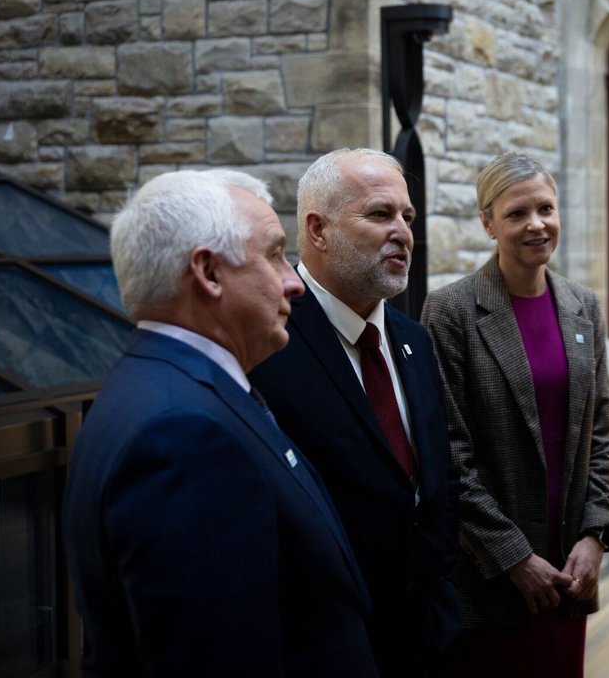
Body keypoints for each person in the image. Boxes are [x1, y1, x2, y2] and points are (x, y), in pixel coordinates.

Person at [64, 170, 379, 677]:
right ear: (209, 273)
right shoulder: (181, 436)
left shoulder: (161, 389)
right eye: (275, 254)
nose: (294, 282)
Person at [249, 149, 460, 677]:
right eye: (380, 214)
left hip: (426, 642)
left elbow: (434, 490)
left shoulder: (414, 341)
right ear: (317, 230)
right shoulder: (266, 345)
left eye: (407, 218)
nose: (404, 233)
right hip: (323, 650)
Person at [420, 152, 609, 678]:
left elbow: (599, 432)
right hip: (491, 574)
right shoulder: (451, 312)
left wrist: (595, 536)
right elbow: (448, 453)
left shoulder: (584, 307)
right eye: (516, 214)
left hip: (569, 566)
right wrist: (513, 556)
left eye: (545, 209)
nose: (536, 225)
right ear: (488, 222)